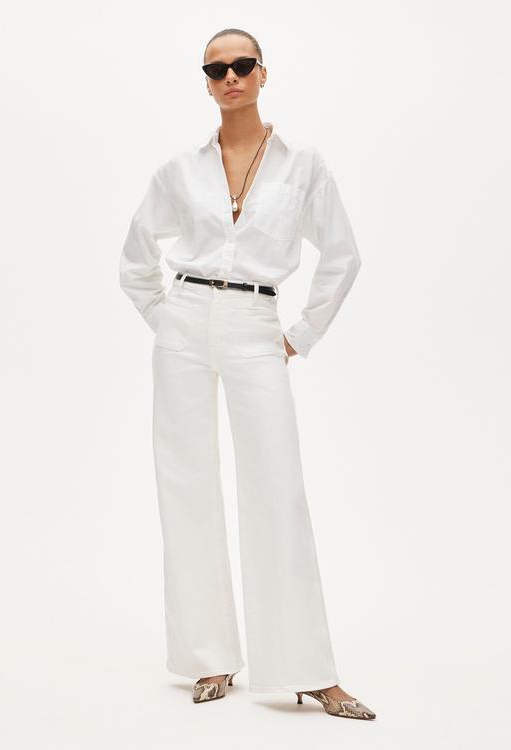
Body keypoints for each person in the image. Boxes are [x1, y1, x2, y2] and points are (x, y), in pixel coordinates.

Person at [119, 28, 376, 721]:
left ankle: (308, 669)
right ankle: (209, 657)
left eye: (241, 65)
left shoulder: (303, 165)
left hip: (257, 322)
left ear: (263, 73)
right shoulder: (179, 170)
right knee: (186, 484)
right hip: (186, 318)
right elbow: (136, 259)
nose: (229, 76)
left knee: (277, 487)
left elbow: (343, 256)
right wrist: (168, 321)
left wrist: (300, 335)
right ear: (206, 83)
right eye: (215, 69)